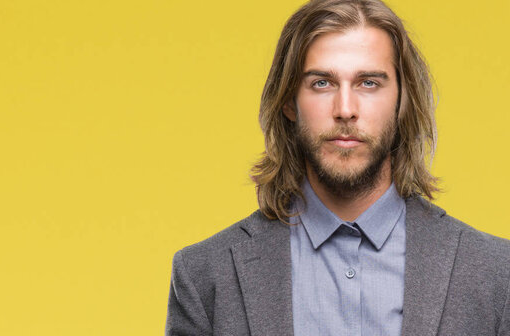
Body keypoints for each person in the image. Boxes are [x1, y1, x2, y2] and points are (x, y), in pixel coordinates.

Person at [165, 0, 510, 335]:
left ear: (402, 102)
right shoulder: (205, 276)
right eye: (322, 83)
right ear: (288, 101)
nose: (345, 109)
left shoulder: (497, 274)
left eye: (369, 83)